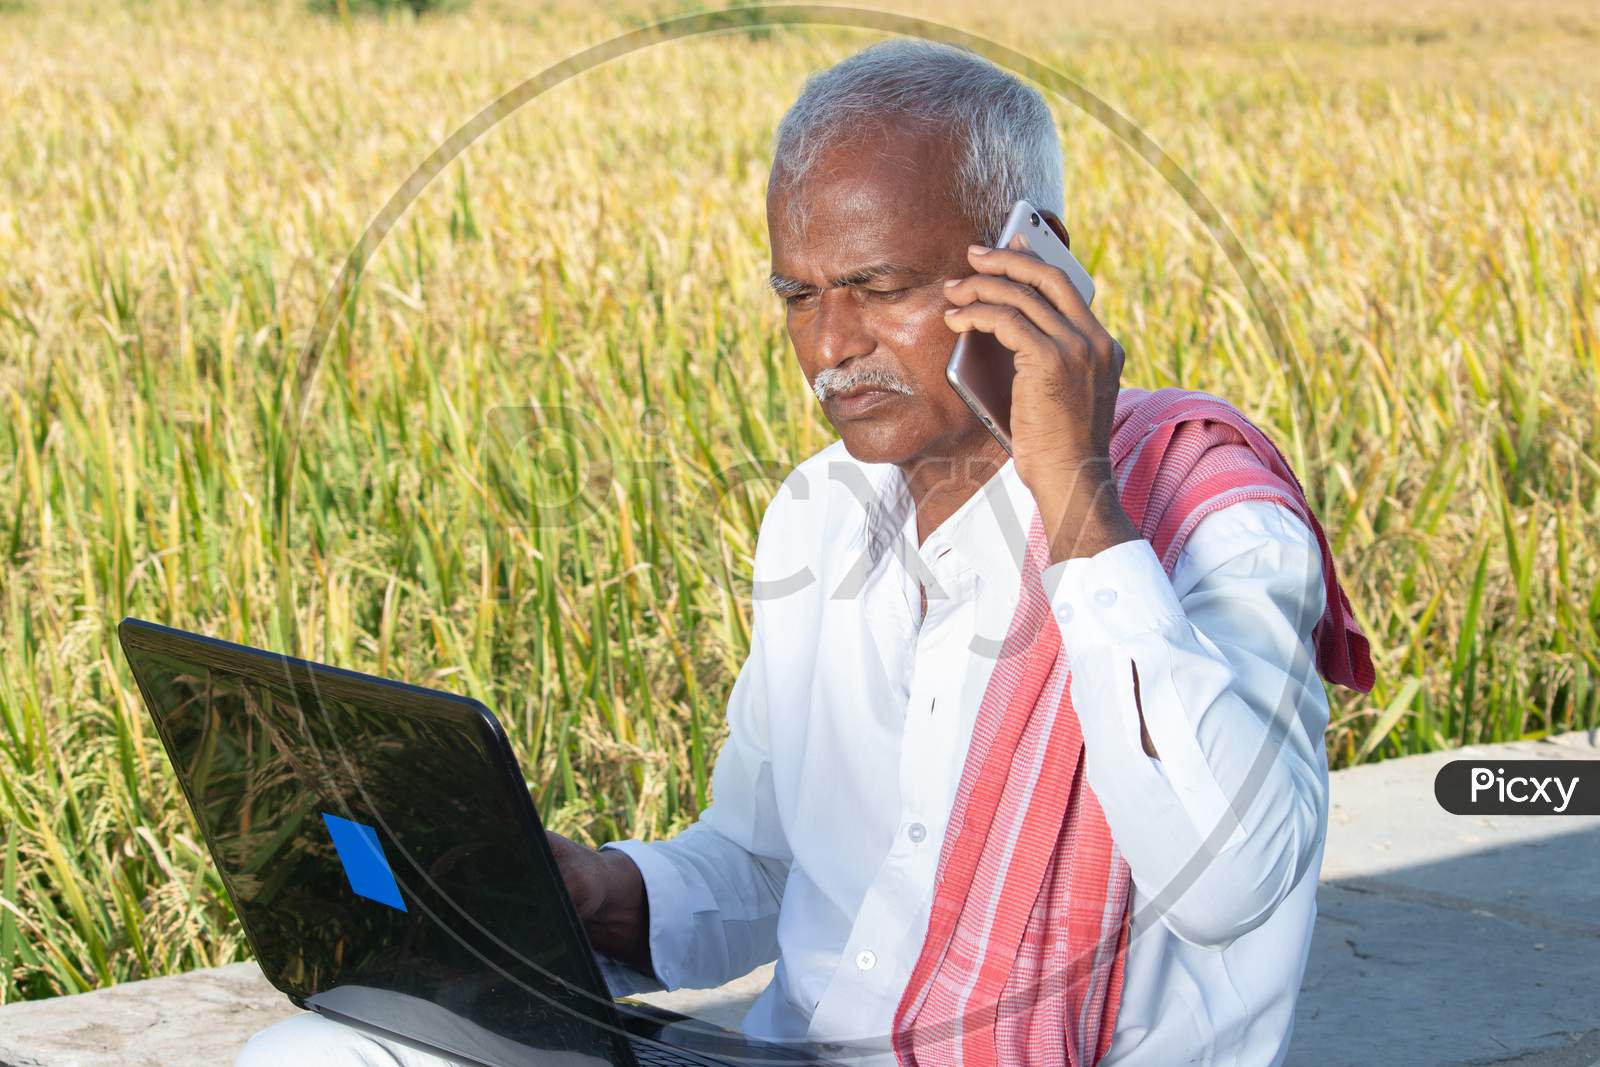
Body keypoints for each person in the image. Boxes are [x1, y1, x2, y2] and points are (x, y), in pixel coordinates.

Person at [238, 38, 1372, 1067]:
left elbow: (1231, 884)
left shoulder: (1208, 516)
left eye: (879, 289)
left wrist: (1074, 494)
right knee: (320, 1053)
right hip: (788, 1060)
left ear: (1034, 266)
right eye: (798, 293)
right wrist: (597, 895)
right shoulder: (821, 510)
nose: (829, 346)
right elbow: (767, 865)